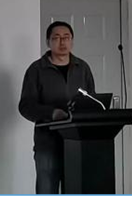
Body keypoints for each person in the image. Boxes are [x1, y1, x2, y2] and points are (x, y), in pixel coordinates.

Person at [19, 21, 95, 194]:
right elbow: (25, 106)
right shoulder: (36, 69)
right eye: (57, 38)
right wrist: (52, 113)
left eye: (66, 37)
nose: (62, 42)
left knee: (77, 189)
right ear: (48, 42)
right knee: (47, 190)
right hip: (48, 144)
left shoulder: (82, 68)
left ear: (72, 41)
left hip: (77, 144)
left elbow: (92, 101)